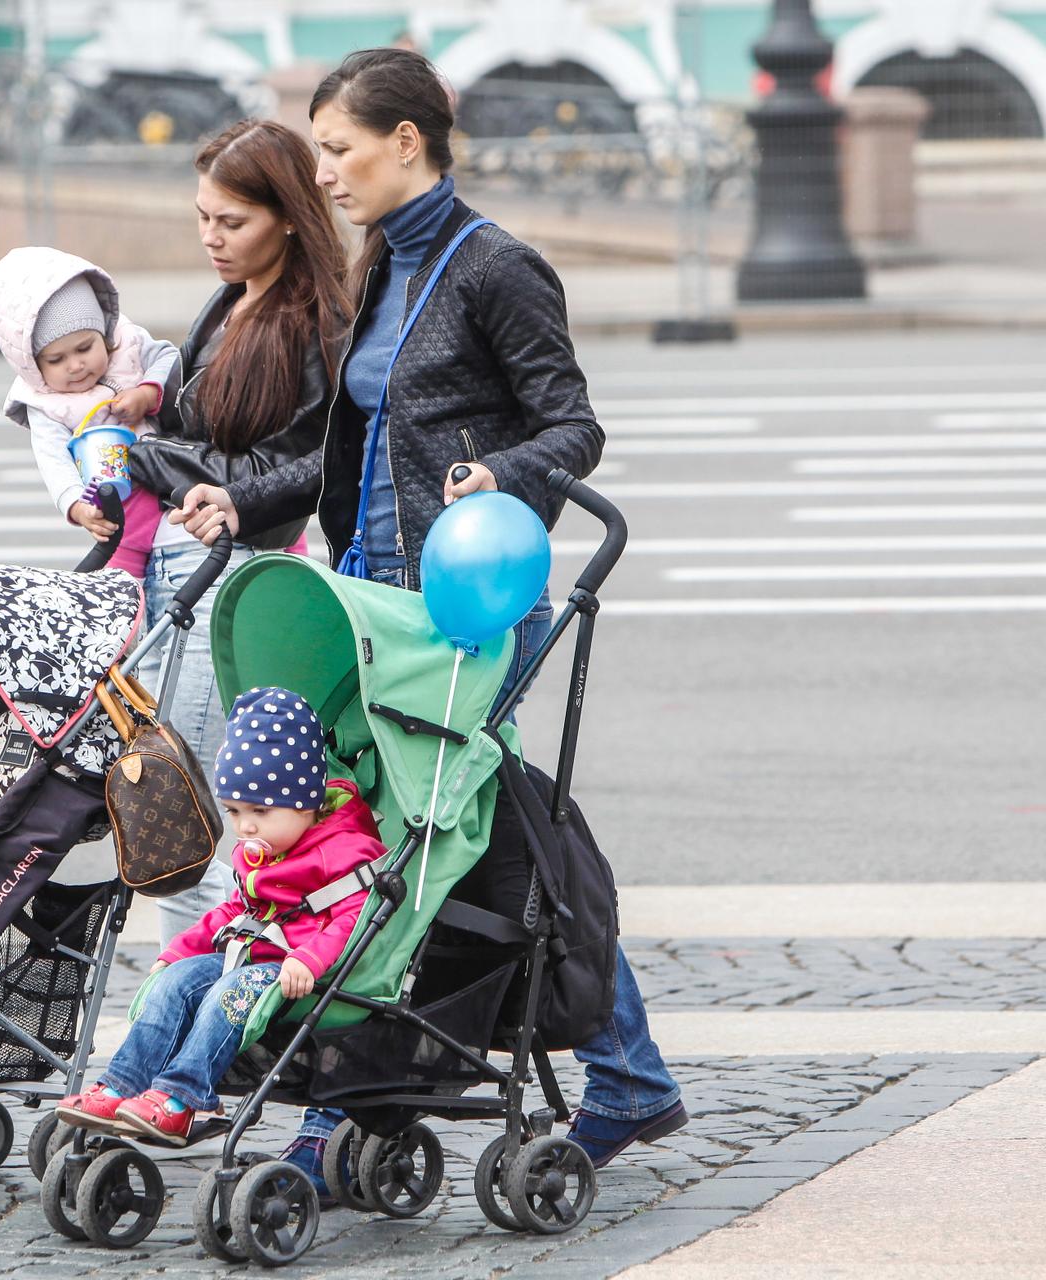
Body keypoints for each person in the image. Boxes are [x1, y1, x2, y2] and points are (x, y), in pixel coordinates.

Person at [170, 47, 686, 1194]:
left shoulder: (495, 265)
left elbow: (574, 425)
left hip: (464, 602)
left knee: (393, 826)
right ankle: (625, 1074)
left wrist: (500, 471)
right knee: (481, 827)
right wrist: (242, 499)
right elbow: (342, 457)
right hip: (371, 596)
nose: (329, 174)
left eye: (342, 150)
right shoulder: (381, 267)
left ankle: (328, 1111)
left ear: (409, 142)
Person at [125, 118, 349, 942]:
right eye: (202, 217)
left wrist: (156, 461)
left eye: (232, 222)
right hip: (182, 563)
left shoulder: (315, 320)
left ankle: (200, 1011)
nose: (211, 239)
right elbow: (199, 434)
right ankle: (194, 1006)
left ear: (288, 214)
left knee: (199, 819)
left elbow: (297, 473)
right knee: (177, 805)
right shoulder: (232, 301)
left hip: (232, 571)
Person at [56, 688, 383, 1144]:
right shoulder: (266, 849)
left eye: (261, 812)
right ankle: (122, 1084)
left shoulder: (342, 852)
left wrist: (308, 959)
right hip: (246, 953)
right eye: (234, 811)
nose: (246, 826)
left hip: (290, 969)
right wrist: (179, 951)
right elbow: (235, 908)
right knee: (172, 984)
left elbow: (352, 915)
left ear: (307, 804)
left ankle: (183, 1098)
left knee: (226, 991)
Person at [0, 246, 180, 578]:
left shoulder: (128, 344)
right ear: (33, 366)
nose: (75, 365)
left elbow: (170, 359)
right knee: (123, 589)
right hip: (119, 509)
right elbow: (54, 462)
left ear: (103, 333)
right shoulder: (46, 404)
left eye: (86, 347)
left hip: (174, 483)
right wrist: (77, 506)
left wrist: (145, 394)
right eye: (56, 360)